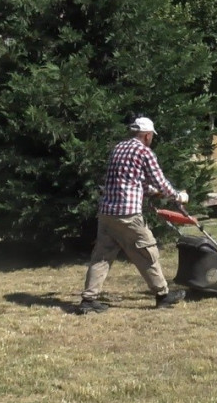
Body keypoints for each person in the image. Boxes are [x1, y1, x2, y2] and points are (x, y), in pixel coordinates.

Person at [73, 117, 188, 315]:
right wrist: (178, 196)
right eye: (151, 136)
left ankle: (88, 300)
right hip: (128, 215)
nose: (151, 139)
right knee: (147, 252)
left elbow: (131, 180)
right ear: (147, 135)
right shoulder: (144, 151)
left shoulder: (118, 148)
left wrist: (152, 192)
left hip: (107, 213)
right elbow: (160, 181)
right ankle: (162, 295)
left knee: (101, 257)